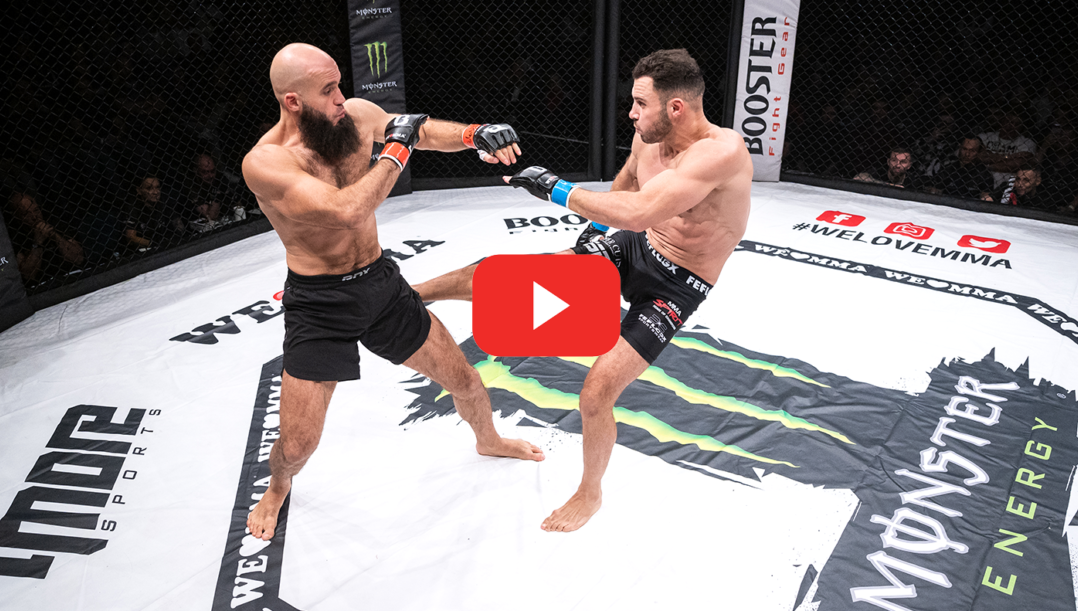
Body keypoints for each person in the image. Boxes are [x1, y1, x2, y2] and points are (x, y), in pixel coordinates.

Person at [413, 49, 752, 532]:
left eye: (640, 104)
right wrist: (596, 228)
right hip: (636, 247)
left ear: (676, 108)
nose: (631, 114)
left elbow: (641, 210)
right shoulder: (649, 136)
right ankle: (410, 294)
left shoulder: (721, 152)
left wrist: (555, 188)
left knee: (596, 393)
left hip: (678, 282)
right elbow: (629, 182)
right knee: (505, 277)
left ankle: (590, 493)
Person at [240, 43, 543, 542]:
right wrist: (397, 150)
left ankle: (488, 439)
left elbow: (416, 130)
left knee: (466, 381)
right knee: (296, 446)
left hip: (380, 285)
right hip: (321, 305)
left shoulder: (355, 116)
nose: (342, 98)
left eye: (340, 84)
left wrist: (474, 134)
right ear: (293, 101)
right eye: (328, 90)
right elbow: (345, 211)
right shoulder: (267, 162)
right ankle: (277, 487)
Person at [124, 175, 186, 252]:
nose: (156, 192)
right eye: (149, 188)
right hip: (144, 248)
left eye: (157, 187)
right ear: (139, 190)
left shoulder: (163, 201)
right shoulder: (133, 207)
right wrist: (153, 244)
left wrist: (177, 237)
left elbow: (177, 223)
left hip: (164, 242)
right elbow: (130, 237)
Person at [977, 111, 1037, 189]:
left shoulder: (1027, 143)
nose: (1012, 126)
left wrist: (986, 164)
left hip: (1007, 186)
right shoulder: (985, 137)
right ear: (1002, 122)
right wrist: (1011, 156)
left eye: (1017, 124)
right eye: (1010, 122)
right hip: (979, 180)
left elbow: (1016, 164)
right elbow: (978, 156)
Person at [930, 135, 993, 200]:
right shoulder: (949, 169)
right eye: (964, 149)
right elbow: (935, 191)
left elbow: (985, 200)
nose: (967, 154)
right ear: (960, 148)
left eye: (972, 151)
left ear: (979, 152)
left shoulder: (984, 174)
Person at [853, 147, 926, 190]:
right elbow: (858, 178)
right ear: (888, 162)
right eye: (894, 160)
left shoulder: (913, 181)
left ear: (909, 165)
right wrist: (890, 186)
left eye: (903, 162)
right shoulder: (879, 171)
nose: (897, 165)